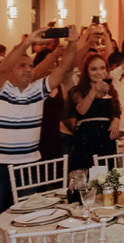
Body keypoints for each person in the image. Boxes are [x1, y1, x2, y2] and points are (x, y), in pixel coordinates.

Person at [0, 26, 85, 210]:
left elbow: (63, 68)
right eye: (22, 66)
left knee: (27, 213)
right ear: (11, 70)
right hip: (2, 165)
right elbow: (3, 69)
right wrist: (28, 41)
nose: (28, 69)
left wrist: (73, 42)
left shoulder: (37, 90)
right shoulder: (3, 89)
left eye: (30, 66)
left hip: (29, 165)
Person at [69, 53, 122, 170]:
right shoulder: (77, 90)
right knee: (87, 173)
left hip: (106, 137)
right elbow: (81, 111)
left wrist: (116, 119)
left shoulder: (111, 90)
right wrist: (93, 90)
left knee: (108, 173)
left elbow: (117, 109)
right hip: (86, 138)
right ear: (86, 72)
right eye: (94, 69)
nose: (99, 72)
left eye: (102, 68)